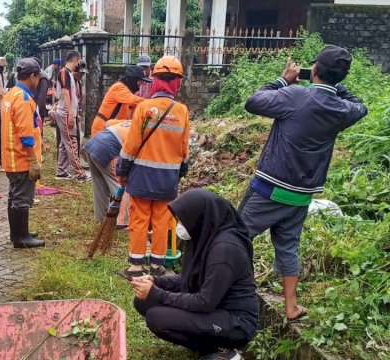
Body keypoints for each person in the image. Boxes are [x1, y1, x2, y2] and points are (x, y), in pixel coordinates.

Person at [238, 46, 368, 321]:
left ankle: (234, 292)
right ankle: (291, 306)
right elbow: (361, 106)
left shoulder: (296, 94)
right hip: (302, 196)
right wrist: (337, 88)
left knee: (235, 235)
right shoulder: (341, 110)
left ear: (315, 70)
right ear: (340, 77)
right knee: (288, 245)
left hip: (269, 187)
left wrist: (284, 80)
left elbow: (253, 101)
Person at [132, 189, 258, 360]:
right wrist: (156, 281)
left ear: (199, 218)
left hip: (235, 322)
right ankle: (209, 345)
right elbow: (190, 278)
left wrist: (157, 293)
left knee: (156, 317)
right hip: (214, 309)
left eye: (182, 221)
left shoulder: (225, 249)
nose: (179, 226)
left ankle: (223, 350)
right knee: (143, 301)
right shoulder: (206, 237)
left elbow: (204, 301)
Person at [117, 56, 190, 278]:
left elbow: (131, 145)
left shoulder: (144, 108)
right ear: (177, 82)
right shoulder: (182, 111)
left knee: (139, 220)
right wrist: (180, 174)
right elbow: (184, 149)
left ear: (155, 79)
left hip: (141, 175)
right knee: (162, 221)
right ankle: (158, 266)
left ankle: (136, 267)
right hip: (167, 178)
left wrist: (122, 170)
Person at [1, 58, 45, 249]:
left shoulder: (11, 94)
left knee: (14, 196)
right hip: (21, 158)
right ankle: (21, 238)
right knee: (21, 198)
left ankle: (17, 233)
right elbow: (26, 134)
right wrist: (33, 161)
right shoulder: (24, 99)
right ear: (33, 76)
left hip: (11, 156)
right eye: (38, 77)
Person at [84, 120, 131, 227]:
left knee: (100, 186)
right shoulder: (146, 132)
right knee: (122, 187)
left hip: (93, 143)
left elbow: (109, 123)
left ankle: (101, 218)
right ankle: (123, 223)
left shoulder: (130, 121)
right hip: (109, 149)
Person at [54, 50, 89, 182]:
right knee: (71, 142)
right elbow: (65, 93)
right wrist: (70, 114)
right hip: (64, 113)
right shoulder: (64, 73)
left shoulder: (68, 74)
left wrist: (74, 113)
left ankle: (61, 172)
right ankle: (80, 173)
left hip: (66, 113)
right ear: (76, 60)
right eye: (78, 61)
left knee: (65, 143)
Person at [91, 65, 150, 136]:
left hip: (113, 129)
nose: (142, 84)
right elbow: (134, 100)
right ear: (133, 80)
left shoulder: (127, 90)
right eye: (141, 81)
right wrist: (153, 103)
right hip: (102, 129)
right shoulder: (119, 87)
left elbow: (135, 106)